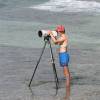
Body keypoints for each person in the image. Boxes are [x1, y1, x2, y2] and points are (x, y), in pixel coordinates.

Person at [48, 25, 71, 98]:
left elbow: (55, 41)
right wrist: (53, 35)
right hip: (62, 55)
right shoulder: (62, 37)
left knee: (66, 70)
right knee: (65, 70)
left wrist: (51, 34)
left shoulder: (63, 37)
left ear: (61, 31)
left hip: (64, 55)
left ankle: (68, 85)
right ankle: (68, 83)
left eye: (58, 31)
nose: (57, 32)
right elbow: (56, 43)